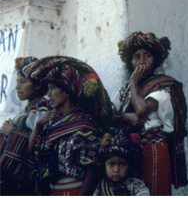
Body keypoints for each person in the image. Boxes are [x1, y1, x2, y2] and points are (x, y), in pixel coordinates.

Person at [24, 56, 113, 195]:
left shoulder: (84, 123)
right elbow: (32, 152)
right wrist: (37, 126)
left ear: (67, 92)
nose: (48, 94)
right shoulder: (51, 122)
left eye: (52, 88)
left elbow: (93, 168)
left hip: (76, 191)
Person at [113, 31, 188, 195]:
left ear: (155, 60)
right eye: (136, 57)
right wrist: (125, 116)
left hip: (152, 149)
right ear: (130, 62)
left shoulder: (161, 86)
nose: (141, 61)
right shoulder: (126, 90)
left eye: (147, 56)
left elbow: (141, 109)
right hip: (129, 151)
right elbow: (108, 113)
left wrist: (133, 81)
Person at [0, 57, 50, 195]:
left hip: (25, 182)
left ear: (38, 85)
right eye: (17, 82)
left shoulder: (41, 109)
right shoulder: (30, 108)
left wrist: (12, 132)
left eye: (22, 82)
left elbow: (41, 141)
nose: (17, 87)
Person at [93, 127, 149, 196]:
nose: (116, 170)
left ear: (129, 165)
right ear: (104, 165)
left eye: (122, 164)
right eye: (111, 164)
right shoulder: (100, 186)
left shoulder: (136, 186)